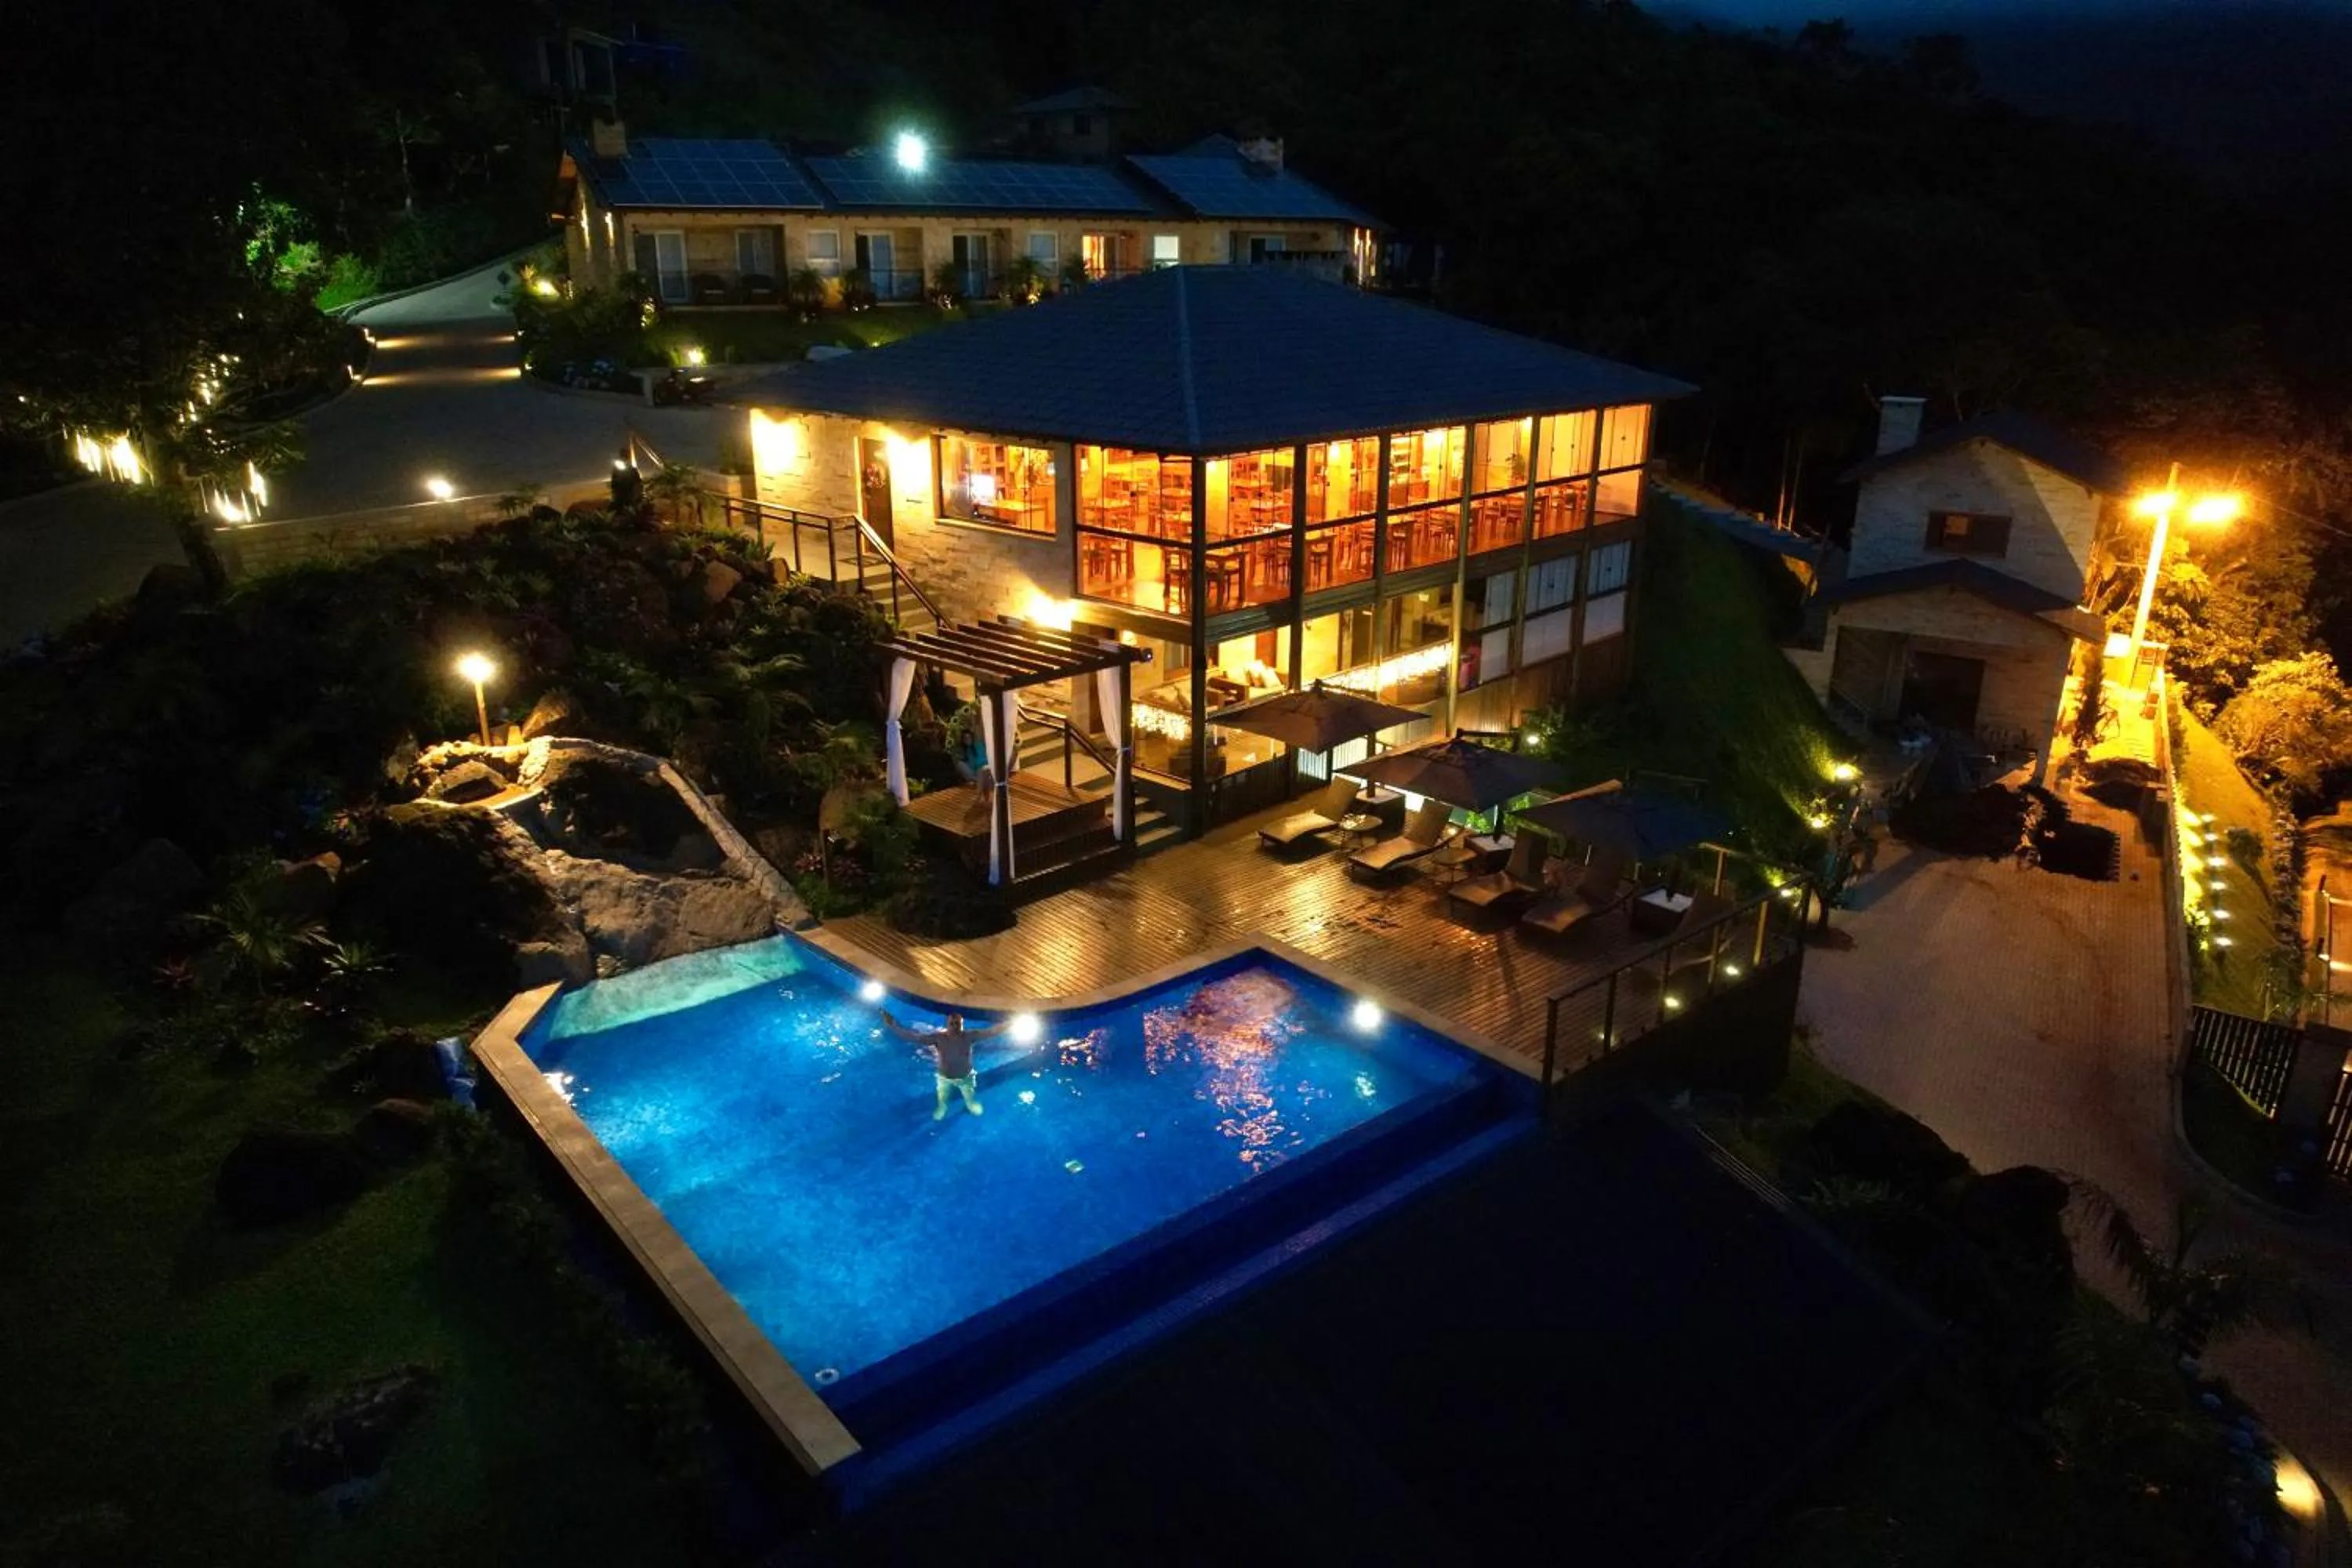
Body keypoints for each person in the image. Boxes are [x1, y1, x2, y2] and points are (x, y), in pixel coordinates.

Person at [881, 1010, 1002, 1120]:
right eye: (952, 1024)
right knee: (943, 1095)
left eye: (958, 1024)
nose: (955, 1027)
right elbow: (913, 1037)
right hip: (945, 1077)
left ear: (962, 1025)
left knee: (969, 1094)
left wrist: (1011, 1023)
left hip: (966, 1077)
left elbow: (992, 1032)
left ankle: (970, 1104)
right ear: (947, 1025)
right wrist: (893, 1026)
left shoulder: (970, 1036)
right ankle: (942, 1107)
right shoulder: (939, 1038)